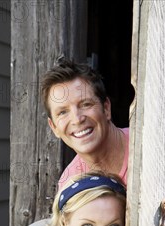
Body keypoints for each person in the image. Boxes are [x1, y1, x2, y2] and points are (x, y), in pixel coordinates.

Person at [41, 57, 129, 190]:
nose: (77, 119)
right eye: (63, 112)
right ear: (54, 127)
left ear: (106, 108)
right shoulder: (70, 185)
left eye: (86, 104)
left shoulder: (149, 146)